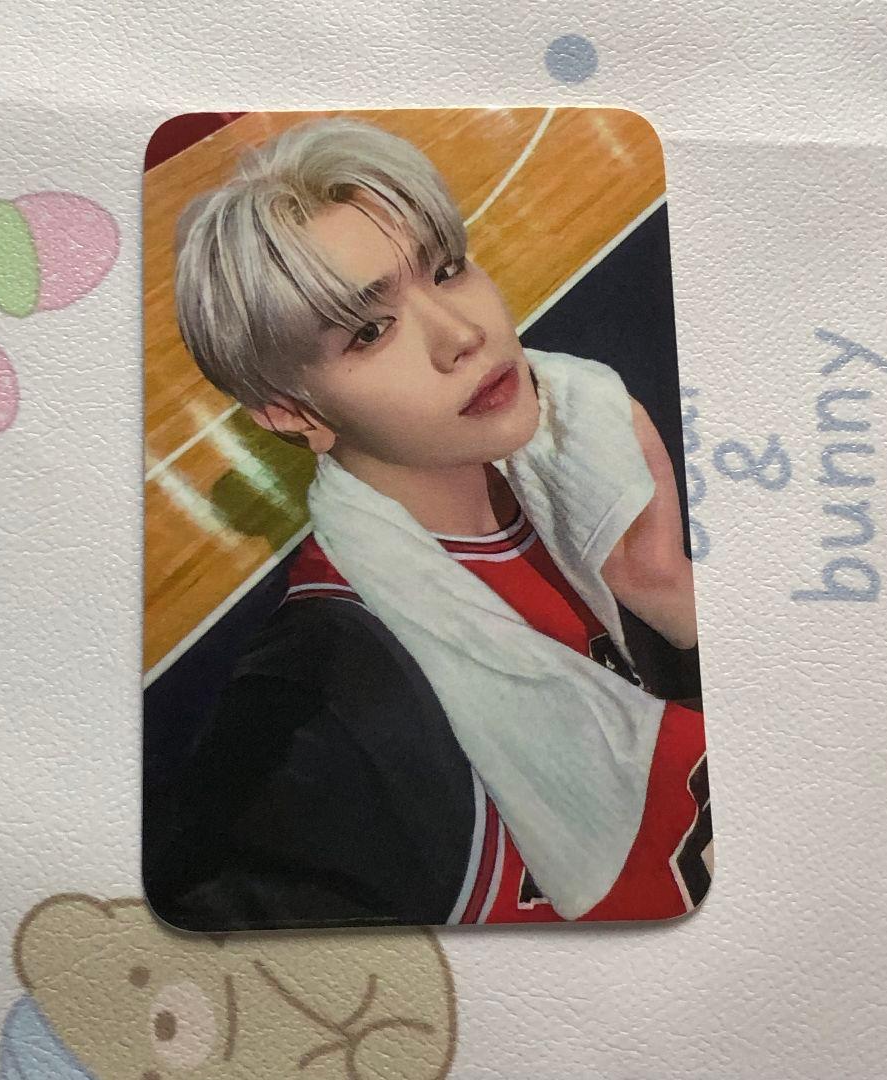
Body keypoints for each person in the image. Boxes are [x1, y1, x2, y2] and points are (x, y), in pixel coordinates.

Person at [144, 116, 712, 932]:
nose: (462, 334)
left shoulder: (597, 460)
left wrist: (668, 592)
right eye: (370, 331)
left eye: (447, 269)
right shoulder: (322, 711)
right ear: (293, 412)